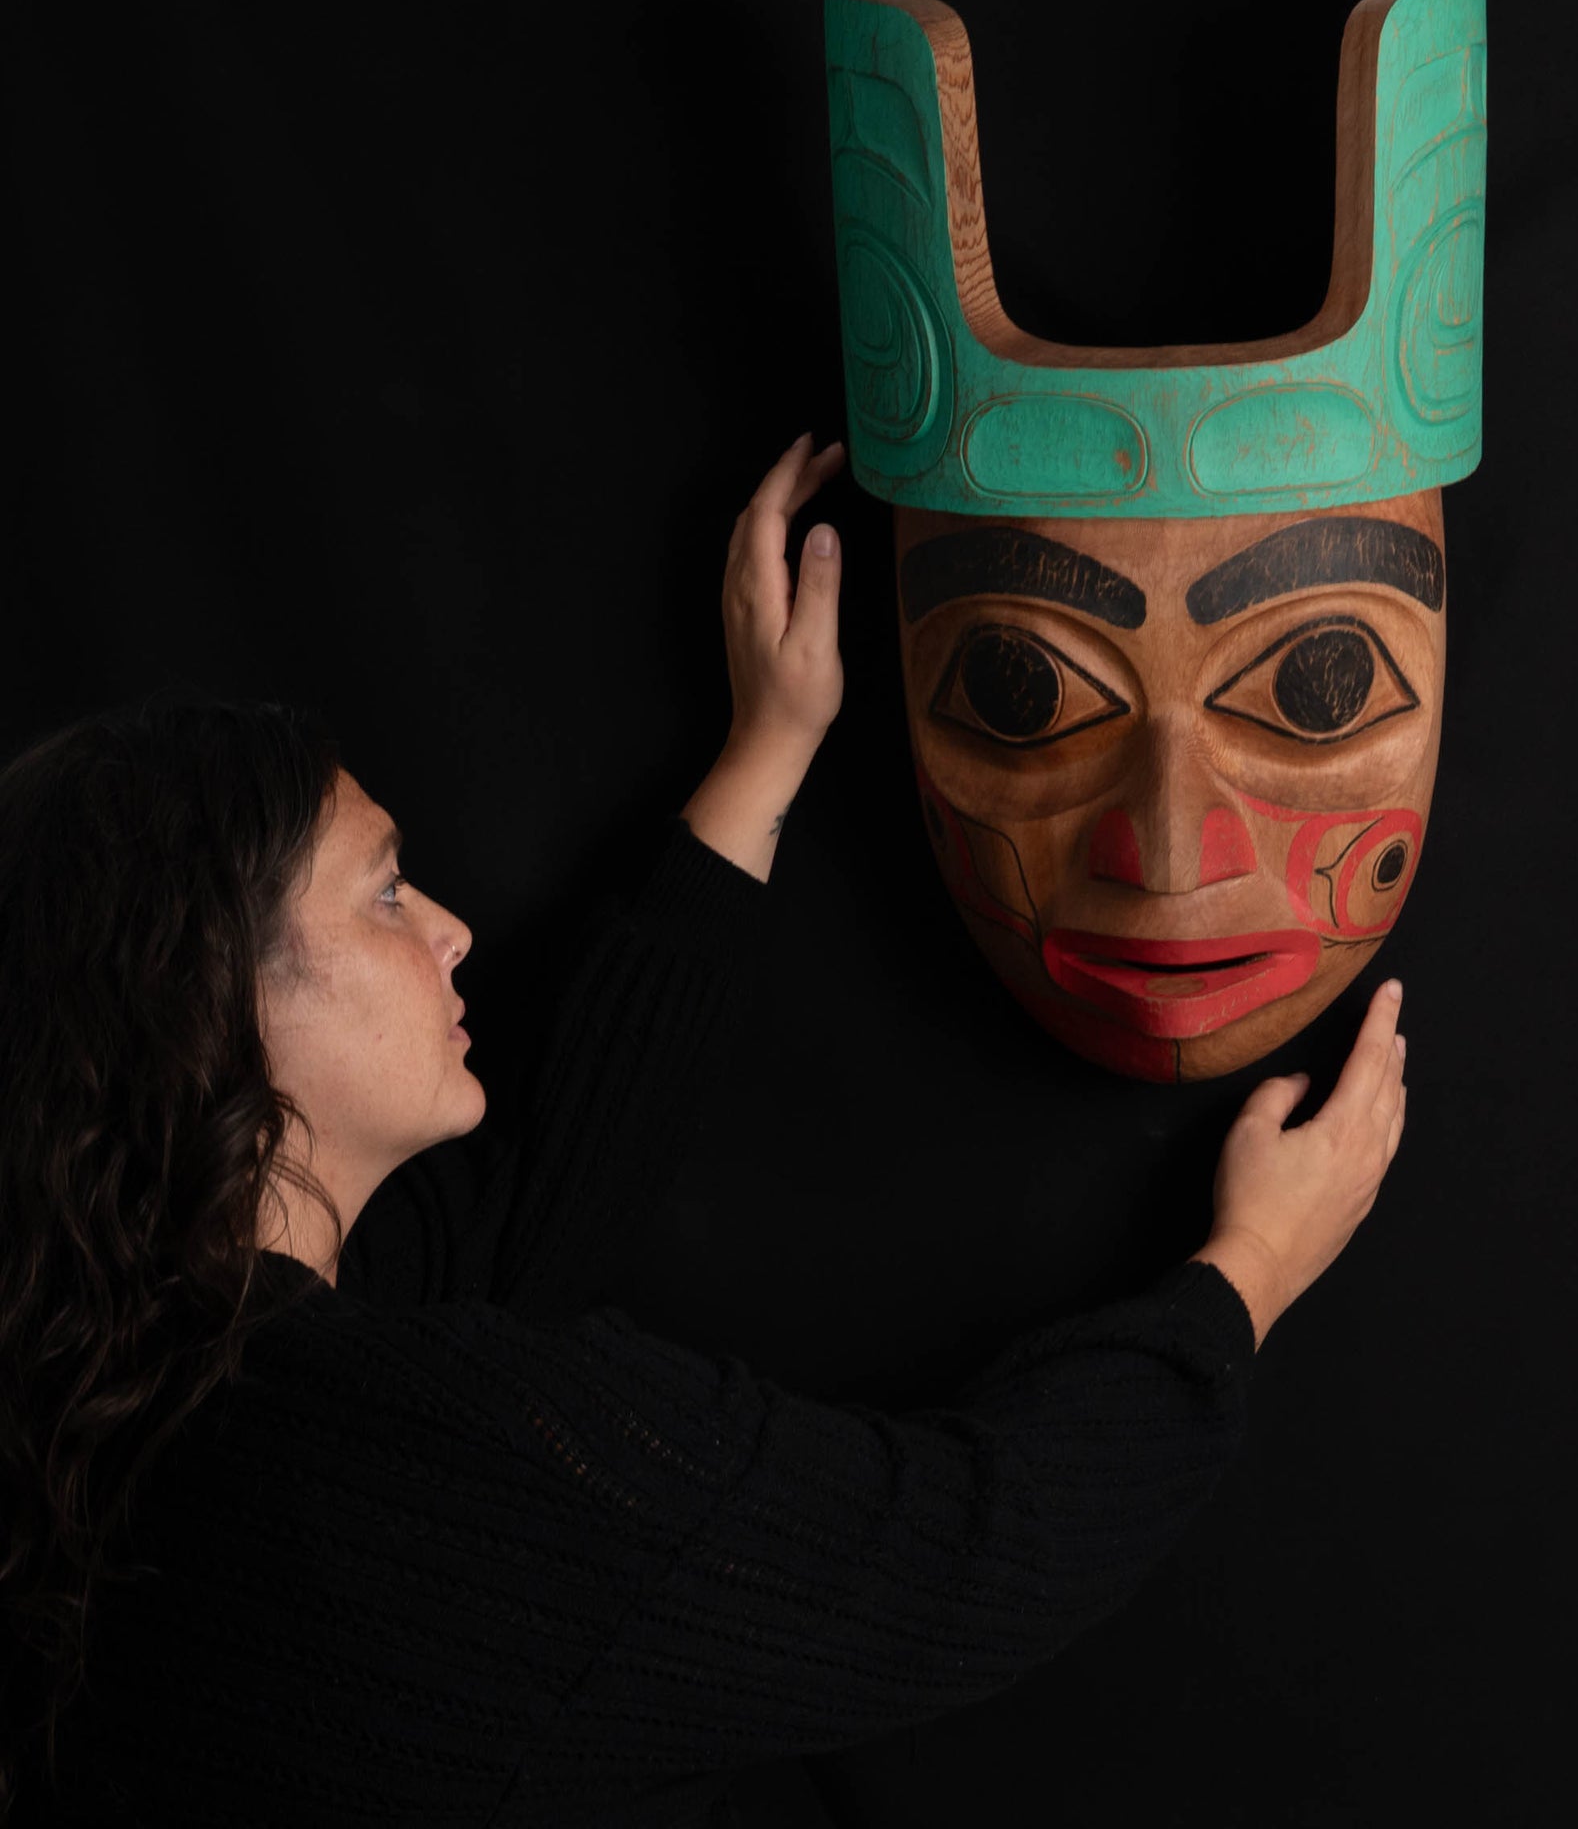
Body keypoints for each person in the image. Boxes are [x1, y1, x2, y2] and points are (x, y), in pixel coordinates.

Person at [0, 432, 1408, 1826]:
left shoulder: (133, 1383)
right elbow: (968, 1550)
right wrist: (1254, 1266)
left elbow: (537, 1198)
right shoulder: (423, 1458)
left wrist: (765, 754)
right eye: (381, 895)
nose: (449, 930)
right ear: (215, 1010)